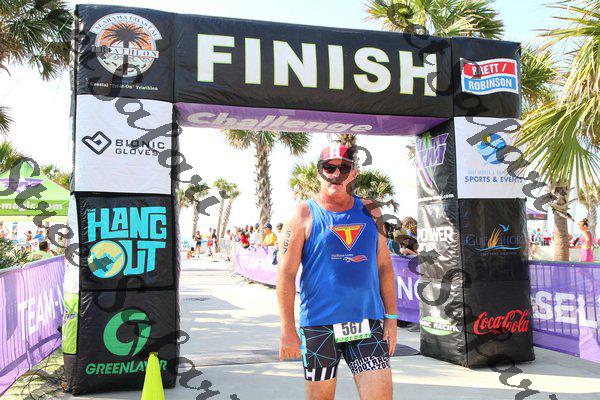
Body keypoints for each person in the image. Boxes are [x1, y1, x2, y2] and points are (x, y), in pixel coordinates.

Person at [277, 144, 397, 400]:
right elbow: (286, 274)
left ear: (354, 173)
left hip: (366, 322)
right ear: (319, 172)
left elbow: (385, 266)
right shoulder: (302, 215)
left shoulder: (371, 211)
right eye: (329, 168)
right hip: (319, 327)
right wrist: (287, 328)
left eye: (344, 168)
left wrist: (392, 317)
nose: (336, 174)